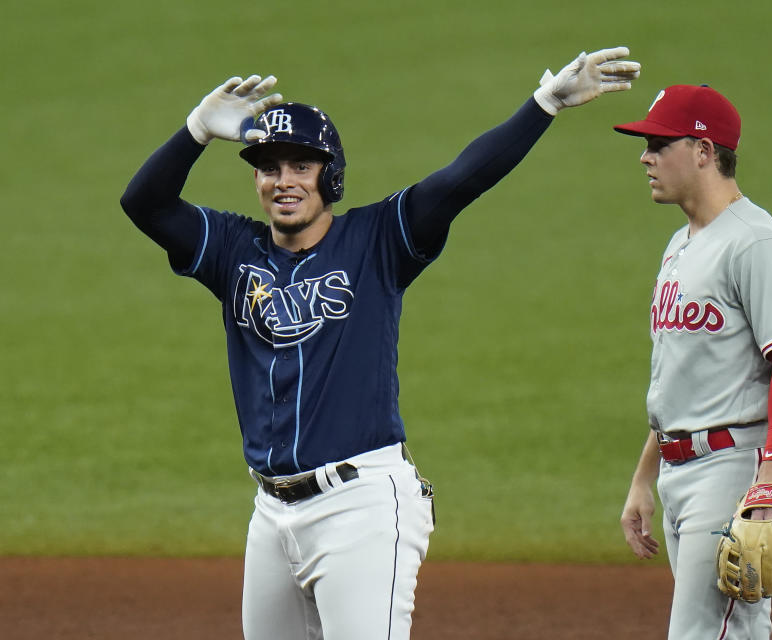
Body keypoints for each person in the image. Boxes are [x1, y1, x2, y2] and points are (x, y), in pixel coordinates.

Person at [120, 48, 640, 640]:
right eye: (269, 168)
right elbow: (144, 203)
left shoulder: (379, 239)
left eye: (300, 166)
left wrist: (544, 103)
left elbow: (462, 179)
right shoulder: (232, 250)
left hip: (360, 507)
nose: (283, 182)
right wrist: (194, 132)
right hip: (271, 514)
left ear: (329, 175)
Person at [614, 85, 772, 639]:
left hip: (733, 471)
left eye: (659, 144)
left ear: (704, 150)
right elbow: (682, 377)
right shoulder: (681, 245)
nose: (645, 157)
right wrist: (643, 477)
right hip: (681, 473)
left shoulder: (755, 243)